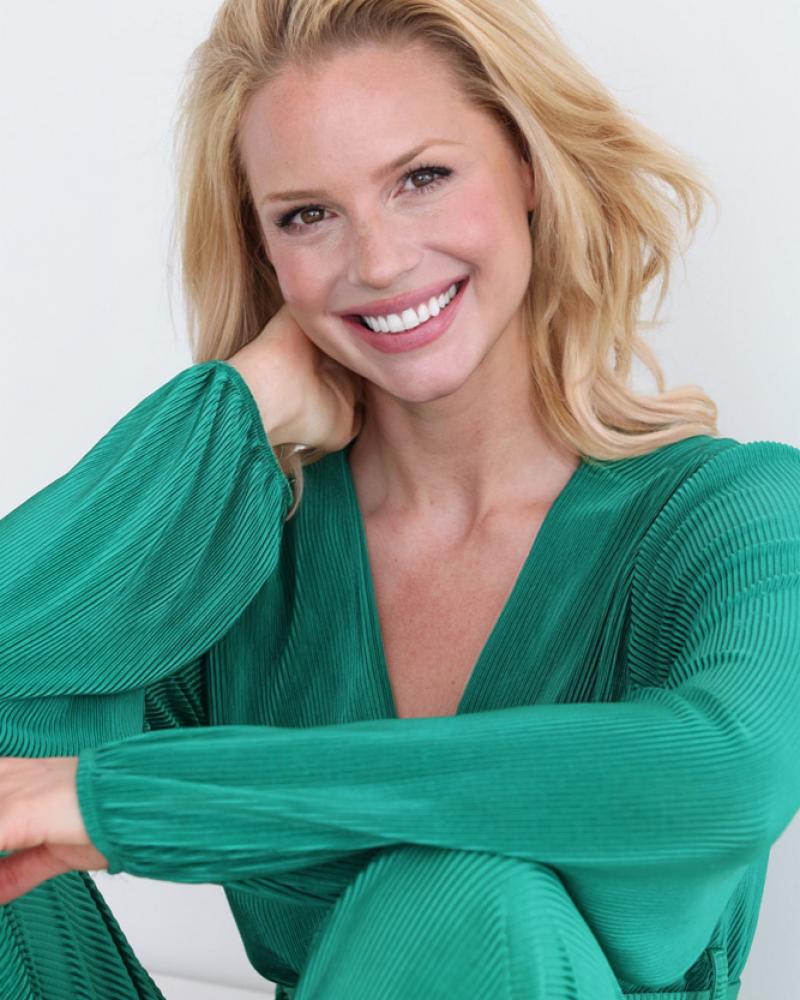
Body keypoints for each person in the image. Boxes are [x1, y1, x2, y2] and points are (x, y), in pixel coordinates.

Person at [0, 0, 798, 997]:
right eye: (307, 215)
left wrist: (133, 801)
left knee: (463, 888)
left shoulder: (729, 513)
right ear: (264, 253)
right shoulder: (258, 558)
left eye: (421, 178)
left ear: (527, 167)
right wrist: (235, 406)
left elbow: (721, 776)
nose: (377, 262)